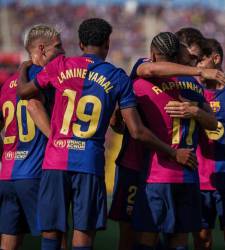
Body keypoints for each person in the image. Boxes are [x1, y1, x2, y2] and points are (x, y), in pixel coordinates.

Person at [17, 19, 197, 250]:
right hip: (89, 164)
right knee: (83, 235)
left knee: (51, 233)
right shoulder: (117, 76)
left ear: (80, 43)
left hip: (55, 162)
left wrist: (23, 67)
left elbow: (24, 93)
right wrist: (173, 152)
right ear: (107, 43)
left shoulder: (59, 65)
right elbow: (136, 131)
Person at [109, 31, 222, 250]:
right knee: (176, 239)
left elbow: (127, 126)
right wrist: (200, 75)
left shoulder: (140, 85)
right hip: (163, 168)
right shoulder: (192, 84)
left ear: (153, 53)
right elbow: (214, 124)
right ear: (178, 55)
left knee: (137, 236)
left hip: (155, 170)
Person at [165, 38, 225, 250]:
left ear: (216, 58)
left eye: (200, 60)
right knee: (202, 241)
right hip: (198, 178)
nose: (197, 66)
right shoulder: (190, 90)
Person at [0, 24, 64, 250]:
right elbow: (34, 106)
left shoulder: (9, 83)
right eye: (58, 46)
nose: (63, 51)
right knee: (56, 233)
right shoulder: (42, 78)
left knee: (9, 240)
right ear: (41, 48)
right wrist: (57, 142)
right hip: (35, 172)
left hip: (7, 176)